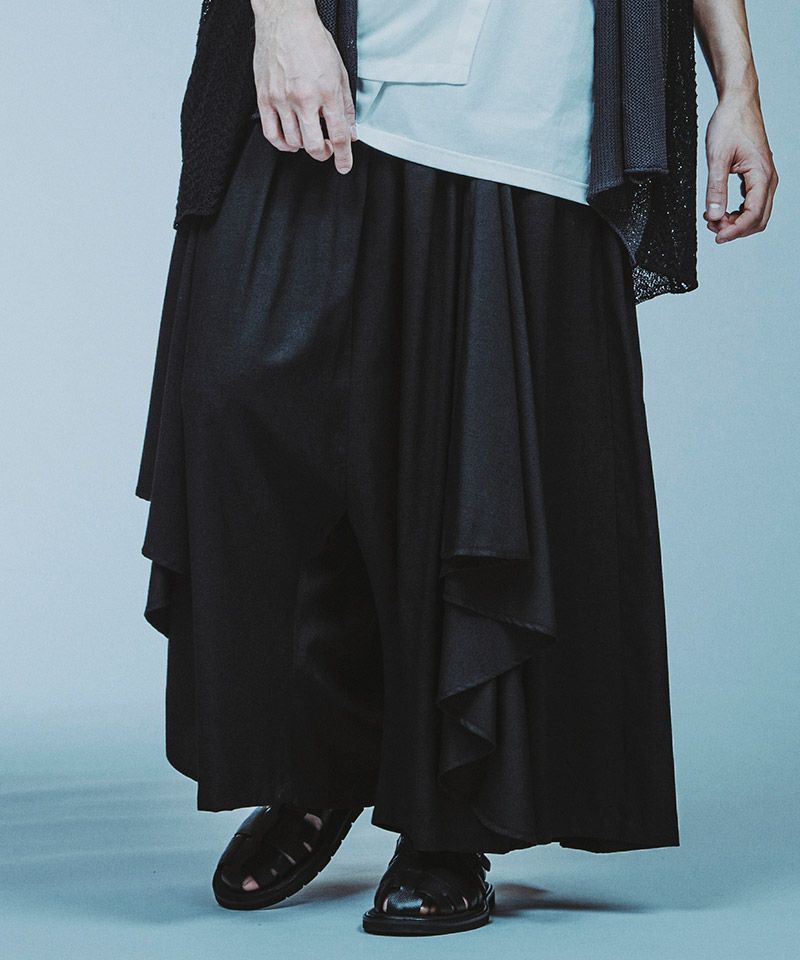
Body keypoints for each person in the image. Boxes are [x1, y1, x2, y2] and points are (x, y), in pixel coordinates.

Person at [135, 0, 778, 937]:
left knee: (478, 467)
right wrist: (280, 19)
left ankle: (447, 820)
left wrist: (739, 88)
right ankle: (323, 761)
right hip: (341, 56)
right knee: (239, 393)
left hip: (531, 102)